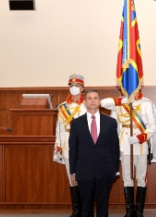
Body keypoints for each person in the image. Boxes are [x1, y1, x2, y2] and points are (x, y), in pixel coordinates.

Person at [101, 90, 156, 217]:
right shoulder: (119, 103)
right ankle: (129, 211)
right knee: (127, 178)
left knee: (141, 178)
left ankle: (139, 211)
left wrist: (140, 137)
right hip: (125, 144)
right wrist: (122, 100)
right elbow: (102, 103)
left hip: (141, 144)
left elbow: (152, 127)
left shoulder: (146, 103)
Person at [69, 89, 120, 217]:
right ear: (85, 101)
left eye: (95, 98)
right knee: (86, 207)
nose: (92, 101)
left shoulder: (110, 122)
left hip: (105, 170)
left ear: (99, 101)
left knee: (103, 206)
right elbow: (73, 149)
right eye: (90, 98)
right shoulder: (76, 123)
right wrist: (73, 171)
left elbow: (114, 148)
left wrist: (114, 169)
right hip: (84, 170)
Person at [53, 74, 87, 217]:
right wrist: (58, 146)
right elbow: (59, 128)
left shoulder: (87, 105)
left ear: (82, 88)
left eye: (77, 86)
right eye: (71, 86)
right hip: (67, 144)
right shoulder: (62, 107)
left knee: (84, 178)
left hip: (82, 145)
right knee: (71, 178)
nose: (74, 88)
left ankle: (85, 210)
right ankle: (76, 210)